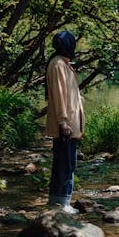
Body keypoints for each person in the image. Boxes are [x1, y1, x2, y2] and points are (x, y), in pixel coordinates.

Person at [45, 30, 85, 213]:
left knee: (66, 162)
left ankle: (59, 202)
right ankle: (62, 204)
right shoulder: (58, 65)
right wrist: (62, 122)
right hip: (66, 126)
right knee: (65, 163)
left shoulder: (63, 64)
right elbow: (58, 95)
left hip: (69, 125)